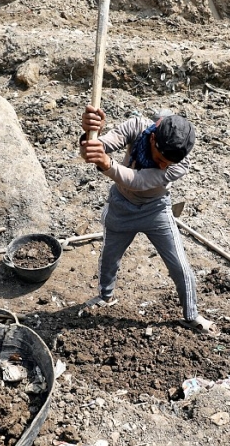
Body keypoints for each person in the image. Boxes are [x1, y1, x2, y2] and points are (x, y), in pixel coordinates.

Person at [79, 105, 216, 335]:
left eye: (168, 164)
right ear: (153, 138)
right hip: (121, 207)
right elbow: (99, 148)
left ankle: (191, 315)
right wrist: (90, 135)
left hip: (156, 211)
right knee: (110, 257)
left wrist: (106, 163)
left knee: (180, 266)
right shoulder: (136, 127)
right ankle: (105, 296)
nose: (164, 166)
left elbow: (138, 181)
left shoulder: (180, 163)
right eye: (161, 159)